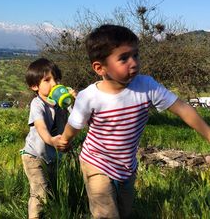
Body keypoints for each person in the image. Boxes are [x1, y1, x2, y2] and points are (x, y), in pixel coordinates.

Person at [56, 24, 210, 218]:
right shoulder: (89, 96)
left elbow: (182, 108)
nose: (134, 62)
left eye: (135, 55)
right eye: (123, 58)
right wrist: (65, 140)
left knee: (125, 211)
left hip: (127, 166)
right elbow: (75, 124)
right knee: (107, 215)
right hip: (96, 162)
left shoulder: (147, 86)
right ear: (99, 68)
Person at [21, 57, 75, 219]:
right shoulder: (37, 104)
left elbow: (78, 118)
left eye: (56, 79)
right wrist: (52, 141)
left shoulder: (60, 103)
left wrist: (74, 100)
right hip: (34, 156)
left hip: (52, 157)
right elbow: (41, 127)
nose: (55, 84)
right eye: (47, 80)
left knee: (51, 189)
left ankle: (50, 214)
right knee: (40, 192)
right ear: (34, 86)